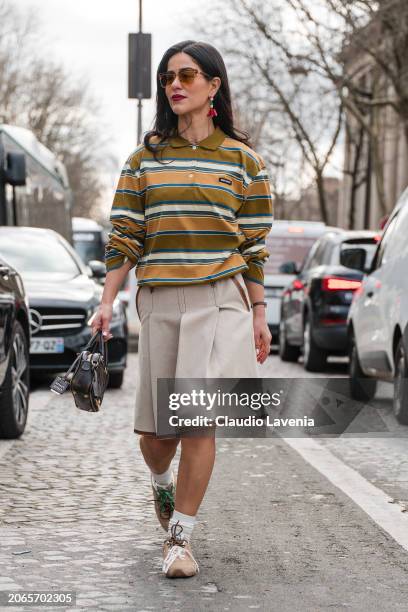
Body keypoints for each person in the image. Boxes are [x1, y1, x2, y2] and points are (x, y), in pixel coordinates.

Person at [91, 40, 273, 579]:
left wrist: (259, 313)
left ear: (213, 86)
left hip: (223, 301)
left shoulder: (245, 162)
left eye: (188, 75)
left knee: (199, 422)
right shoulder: (144, 159)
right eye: (169, 76)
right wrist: (107, 300)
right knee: (158, 436)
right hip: (161, 300)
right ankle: (161, 483)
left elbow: (254, 247)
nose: (176, 84)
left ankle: (180, 539)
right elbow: (125, 234)